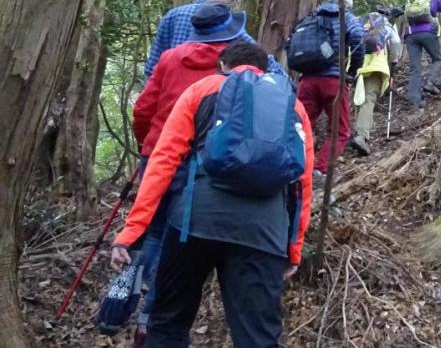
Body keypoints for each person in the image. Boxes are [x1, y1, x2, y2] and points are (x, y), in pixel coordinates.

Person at [110, 42, 313, 348]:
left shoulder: (201, 90)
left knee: (167, 323)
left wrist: (132, 230)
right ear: (264, 68)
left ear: (223, 66)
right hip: (264, 232)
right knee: (258, 338)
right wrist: (293, 248)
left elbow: (162, 162)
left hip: (194, 223)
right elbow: (302, 185)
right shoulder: (291, 104)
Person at [129, 2, 249, 342]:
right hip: (197, 165)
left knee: (150, 234)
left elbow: (143, 108)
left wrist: (148, 142)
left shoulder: (170, 58)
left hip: (156, 155)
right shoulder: (233, 67)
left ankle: (128, 294)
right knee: (171, 241)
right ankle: (148, 319)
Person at [145, 0, 284, 77]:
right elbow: (256, 54)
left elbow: (152, 67)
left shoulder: (172, 15)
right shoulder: (225, 22)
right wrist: (282, 78)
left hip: (172, 96)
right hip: (209, 98)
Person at [294, 0, 365, 177]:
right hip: (333, 80)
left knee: (299, 125)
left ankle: (292, 165)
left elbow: (291, 43)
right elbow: (358, 37)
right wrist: (353, 69)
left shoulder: (310, 18)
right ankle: (320, 170)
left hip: (307, 81)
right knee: (340, 129)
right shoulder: (346, 17)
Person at [351, 11, 402, 155]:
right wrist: (393, 61)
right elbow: (396, 43)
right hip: (376, 65)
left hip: (359, 65)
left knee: (359, 98)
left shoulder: (361, 22)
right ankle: (361, 135)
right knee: (369, 99)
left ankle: (359, 130)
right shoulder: (386, 25)